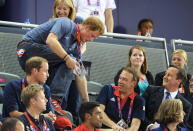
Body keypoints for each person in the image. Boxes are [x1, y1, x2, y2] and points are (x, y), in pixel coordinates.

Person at [16, 16, 104, 118]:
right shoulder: (66, 23)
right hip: (27, 48)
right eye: (92, 36)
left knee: (74, 63)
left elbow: (80, 75)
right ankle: (54, 99)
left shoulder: (76, 47)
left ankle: (49, 102)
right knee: (71, 60)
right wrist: (67, 58)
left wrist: (87, 102)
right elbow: (50, 40)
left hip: (41, 60)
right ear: (87, 27)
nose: (91, 40)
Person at [2, 56, 73, 130]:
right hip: (15, 125)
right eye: (45, 71)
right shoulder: (12, 86)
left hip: (38, 121)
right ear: (35, 70)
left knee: (66, 120)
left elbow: (50, 113)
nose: (48, 75)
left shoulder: (45, 88)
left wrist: (51, 116)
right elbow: (13, 114)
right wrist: (40, 116)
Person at [49, 0, 87, 125]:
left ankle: (74, 125)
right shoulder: (52, 22)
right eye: (59, 8)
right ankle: (61, 125)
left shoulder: (79, 21)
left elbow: (84, 44)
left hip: (75, 65)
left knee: (74, 101)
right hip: (58, 67)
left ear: (71, 10)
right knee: (61, 101)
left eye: (65, 9)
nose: (61, 11)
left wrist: (76, 56)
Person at [142, 65, 192, 131]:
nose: (164, 77)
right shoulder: (151, 91)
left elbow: (183, 126)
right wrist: (150, 126)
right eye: (165, 74)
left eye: (169, 75)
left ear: (178, 81)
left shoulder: (185, 105)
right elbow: (140, 111)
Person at [97, 67, 145, 131]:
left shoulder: (139, 100)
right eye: (120, 78)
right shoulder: (108, 89)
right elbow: (99, 112)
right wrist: (114, 126)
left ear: (133, 83)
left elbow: (135, 125)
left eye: (124, 79)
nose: (120, 81)